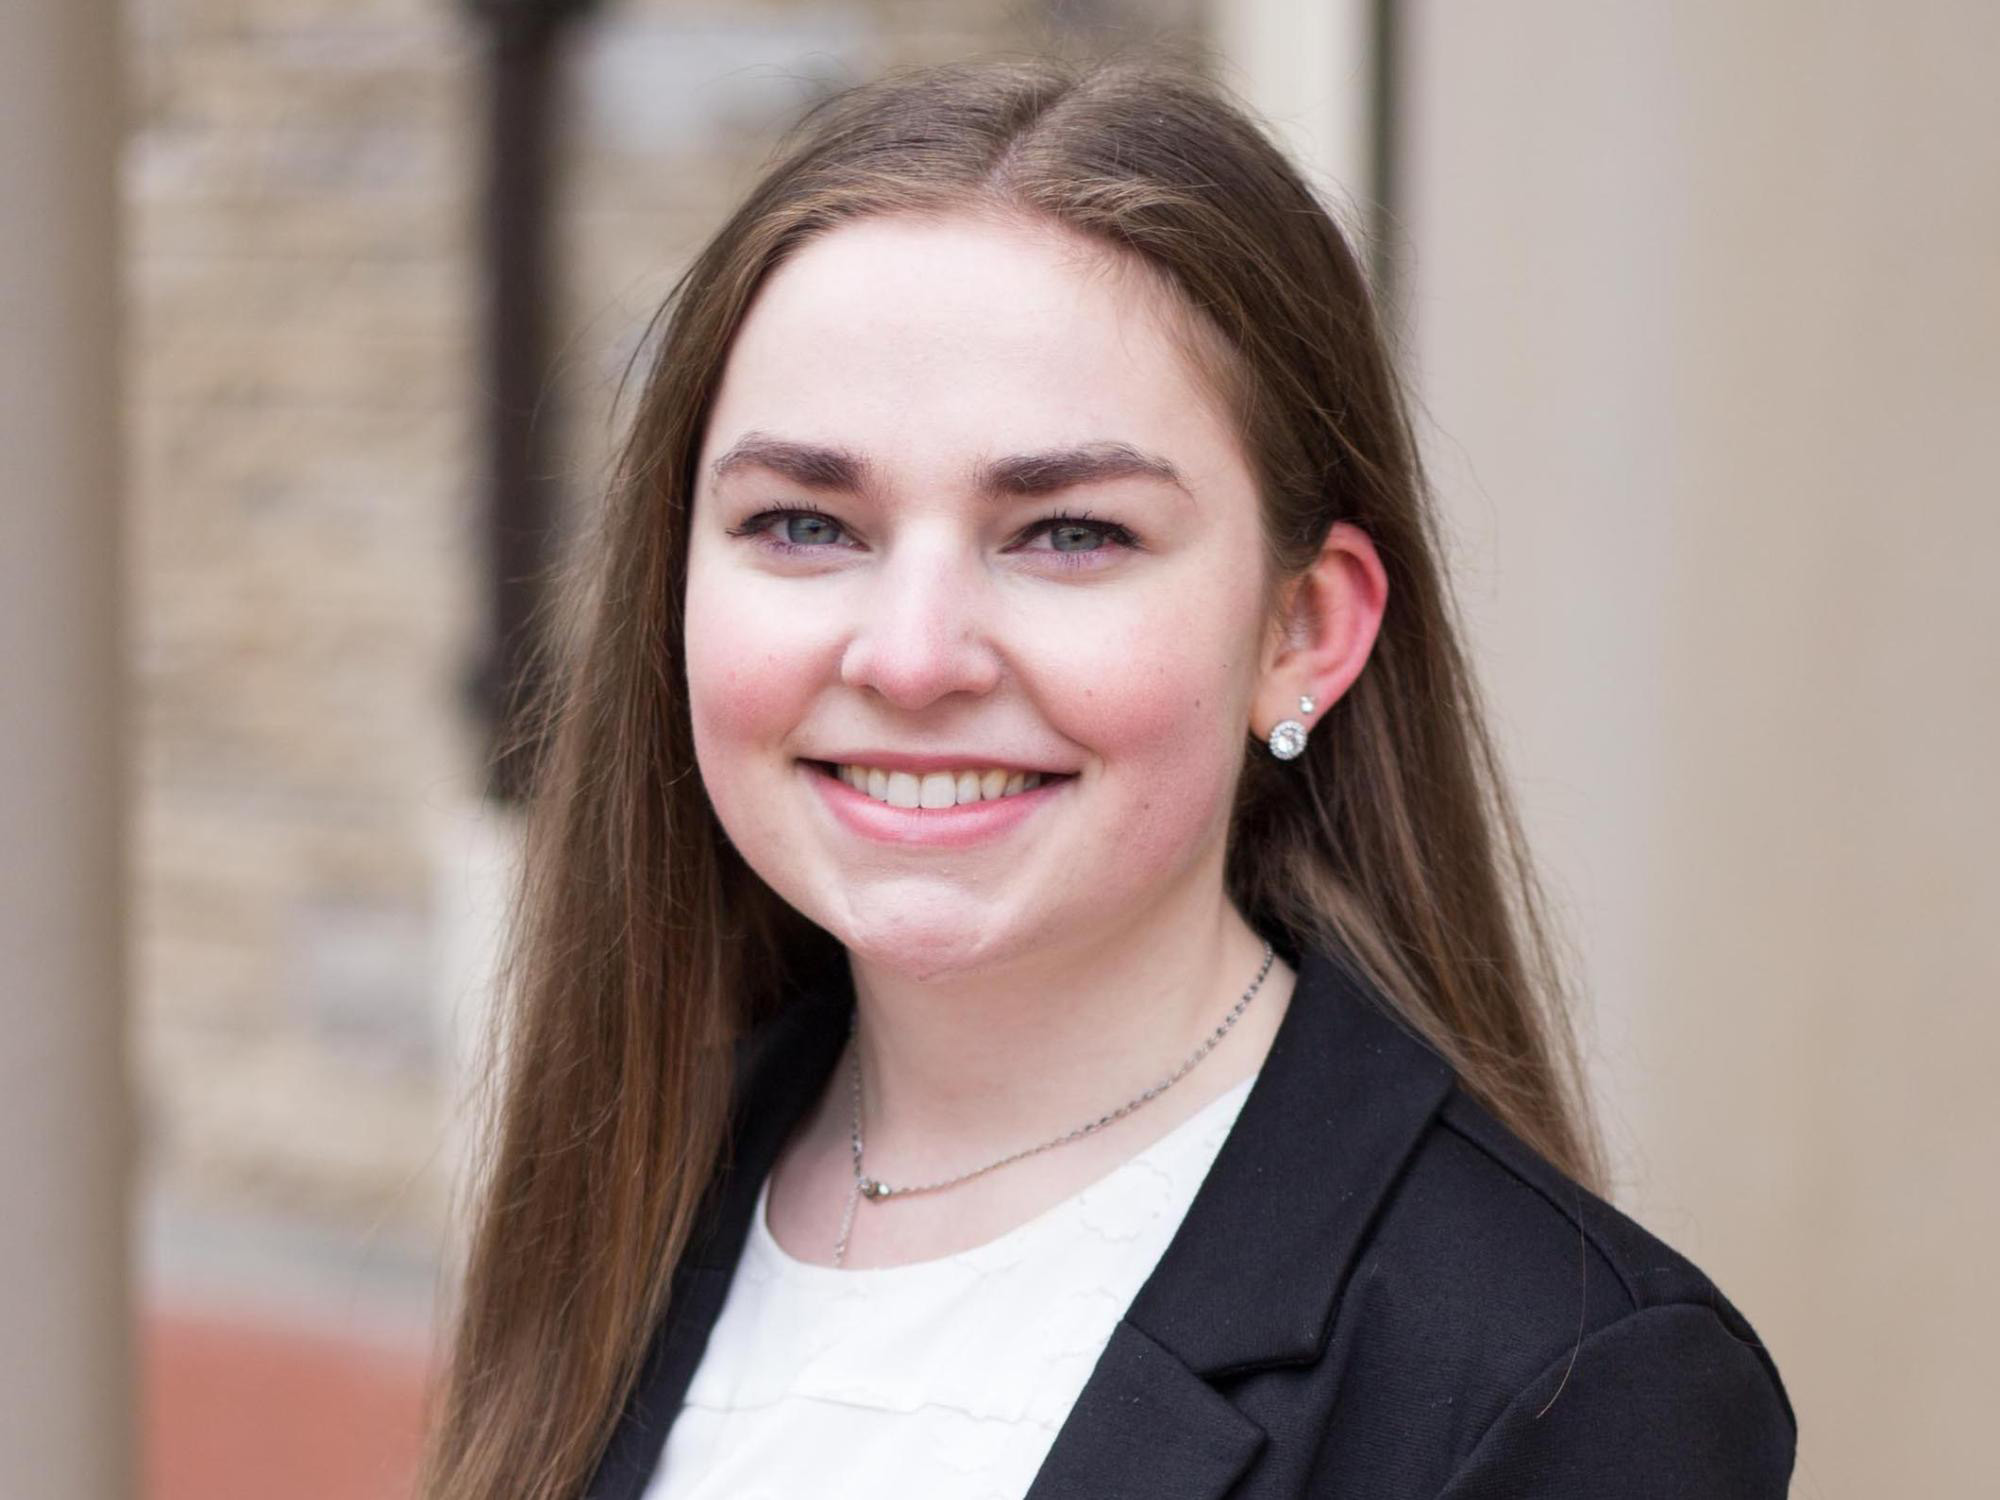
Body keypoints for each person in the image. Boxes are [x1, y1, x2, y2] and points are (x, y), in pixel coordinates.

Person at [418, 51, 1796, 1500]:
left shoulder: (1559, 1384)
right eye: (806, 524)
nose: (912, 655)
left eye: (1069, 533)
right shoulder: (641, 1186)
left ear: (1301, 629)